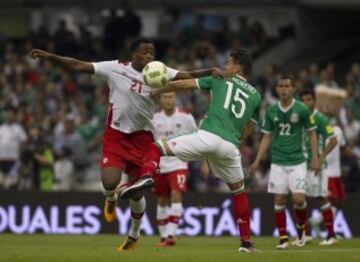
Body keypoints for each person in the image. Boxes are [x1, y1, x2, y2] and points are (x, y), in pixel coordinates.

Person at [30, 36, 221, 251]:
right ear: (133, 54)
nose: (150, 55)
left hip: (144, 138)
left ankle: (134, 235)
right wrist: (49, 57)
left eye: (152, 52)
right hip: (116, 135)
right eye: (145, 52)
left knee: (138, 191)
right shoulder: (114, 68)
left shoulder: (159, 71)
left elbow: (187, 75)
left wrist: (209, 71)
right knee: (109, 184)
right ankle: (111, 197)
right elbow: (78, 65)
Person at [133, 49, 261, 252]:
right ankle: (246, 242)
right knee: (239, 192)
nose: (224, 67)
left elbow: (185, 85)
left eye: (228, 63)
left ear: (237, 67)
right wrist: (236, 140)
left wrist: (158, 89)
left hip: (207, 136)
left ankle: (146, 176)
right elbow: (250, 127)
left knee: (155, 147)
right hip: (230, 146)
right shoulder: (256, 96)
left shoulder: (219, 79)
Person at [249, 76, 320, 249]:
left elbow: (311, 133)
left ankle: (302, 231)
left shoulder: (302, 109)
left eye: (287, 86)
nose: (283, 89)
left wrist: (315, 157)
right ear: (277, 89)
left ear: (293, 88)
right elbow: (267, 136)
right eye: (280, 86)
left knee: (298, 199)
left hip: (297, 161)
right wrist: (257, 160)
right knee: (279, 200)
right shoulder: (272, 110)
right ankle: (283, 238)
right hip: (278, 162)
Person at [152, 92, 197, 247]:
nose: (168, 100)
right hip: (160, 165)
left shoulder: (186, 117)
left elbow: (197, 137)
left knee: (176, 195)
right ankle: (164, 236)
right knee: (162, 200)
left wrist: (203, 161)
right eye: (164, 97)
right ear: (160, 99)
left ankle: (171, 234)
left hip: (179, 162)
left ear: (175, 98)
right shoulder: (154, 119)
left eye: (171, 97)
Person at [299, 89, 338, 245]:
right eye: (303, 100)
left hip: (317, 167)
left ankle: (331, 235)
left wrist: (320, 158)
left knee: (321, 198)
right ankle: (306, 235)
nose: (306, 103)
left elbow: (333, 140)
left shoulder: (320, 119)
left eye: (309, 99)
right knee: (300, 200)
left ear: (314, 101)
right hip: (302, 165)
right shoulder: (301, 119)